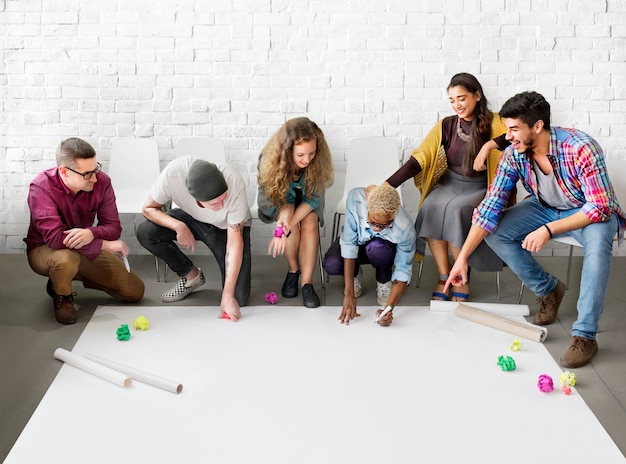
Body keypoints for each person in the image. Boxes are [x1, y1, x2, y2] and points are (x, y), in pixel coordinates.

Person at [445, 91, 626, 368]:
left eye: (515, 128)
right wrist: (461, 260)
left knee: (599, 248)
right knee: (496, 231)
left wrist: (549, 230)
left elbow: (600, 206)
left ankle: (585, 336)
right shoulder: (514, 153)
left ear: (538, 126)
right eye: (507, 129)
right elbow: (489, 208)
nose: (509, 136)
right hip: (544, 206)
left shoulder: (580, 147)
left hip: (587, 211)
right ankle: (549, 290)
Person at [385, 72, 508, 302]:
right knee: (431, 206)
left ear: (477, 95)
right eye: (452, 100)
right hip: (450, 183)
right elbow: (421, 157)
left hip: (480, 187)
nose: (457, 105)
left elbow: (516, 134)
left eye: (461, 98)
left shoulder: (497, 121)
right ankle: (444, 275)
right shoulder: (447, 124)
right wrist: (389, 184)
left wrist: (488, 146)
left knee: (455, 210)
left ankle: (461, 276)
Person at [24, 137, 145, 325]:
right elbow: (56, 239)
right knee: (66, 258)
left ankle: (63, 277)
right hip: (45, 249)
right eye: (87, 173)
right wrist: (103, 244)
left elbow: (113, 228)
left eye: (96, 169)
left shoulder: (102, 182)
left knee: (135, 291)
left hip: (85, 246)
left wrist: (91, 233)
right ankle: (62, 295)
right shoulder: (41, 187)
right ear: (64, 172)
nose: (95, 178)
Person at [136, 156, 251, 321]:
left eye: (223, 198)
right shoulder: (172, 175)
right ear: (197, 200)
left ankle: (229, 293)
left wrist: (227, 294)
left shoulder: (234, 182)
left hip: (227, 227)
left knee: (238, 297)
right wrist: (178, 226)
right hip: (191, 218)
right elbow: (147, 208)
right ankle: (191, 275)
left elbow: (234, 242)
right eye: (215, 204)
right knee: (146, 232)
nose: (221, 205)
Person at [257, 117, 334, 308]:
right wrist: (285, 222)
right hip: (277, 200)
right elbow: (284, 203)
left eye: (312, 153)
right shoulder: (270, 161)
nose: (307, 159)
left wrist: (285, 228)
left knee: (309, 221)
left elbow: (313, 199)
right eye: (300, 154)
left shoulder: (317, 163)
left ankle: (307, 283)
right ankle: (293, 270)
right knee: (289, 219)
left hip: (308, 200)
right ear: (287, 150)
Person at [323, 184, 416, 326]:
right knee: (331, 263)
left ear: (394, 215)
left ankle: (384, 278)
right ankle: (354, 274)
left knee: (377, 247)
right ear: (367, 208)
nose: (376, 229)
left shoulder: (404, 228)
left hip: (381, 251)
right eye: (371, 222)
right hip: (357, 244)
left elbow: (403, 270)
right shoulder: (355, 199)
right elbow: (349, 243)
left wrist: (388, 309)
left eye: (383, 225)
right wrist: (349, 293)